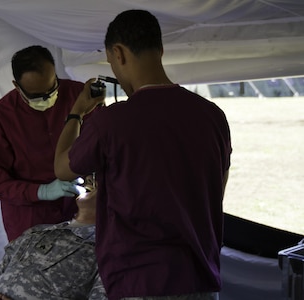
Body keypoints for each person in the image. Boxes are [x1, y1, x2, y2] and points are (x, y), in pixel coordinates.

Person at [54, 9, 232, 300]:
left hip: (140, 281)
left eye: (112, 62)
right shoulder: (213, 116)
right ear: (160, 49)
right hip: (201, 281)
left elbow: (62, 169)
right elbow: (216, 192)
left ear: (119, 53)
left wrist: (76, 112)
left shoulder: (110, 121)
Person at [0, 45, 88, 241]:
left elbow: (105, 144)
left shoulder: (79, 96)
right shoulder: (0, 118)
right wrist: (40, 191)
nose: (46, 99)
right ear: (16, 85)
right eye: (35, 96)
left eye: (51, 89)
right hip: (31, 221)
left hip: (81, 211)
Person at [0, 175, 107, 300]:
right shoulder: (37, 232)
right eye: (89, 176)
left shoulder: (107, 251)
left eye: (99, 180)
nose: (89, 180)